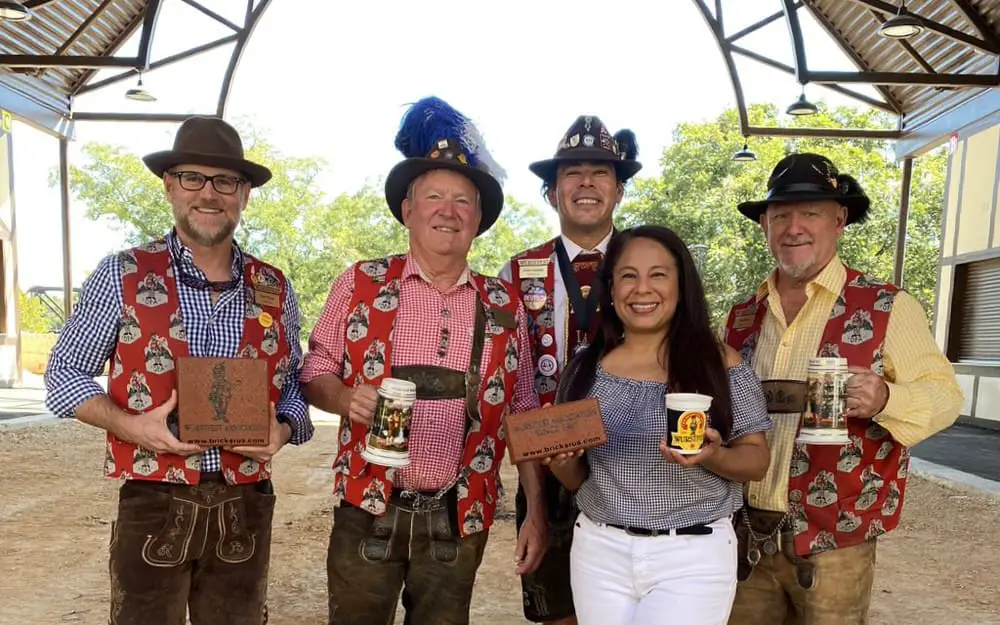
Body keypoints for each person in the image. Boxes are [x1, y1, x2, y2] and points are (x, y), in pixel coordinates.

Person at [43, 116, 314, 625]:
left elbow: (295, 384)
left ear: (245, 194)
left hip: (246, 503)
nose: (208, 194)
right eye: (193, 178)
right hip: (154, 499)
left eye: (225, 181)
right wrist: (129, 426)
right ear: (170, 186)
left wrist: (282, 428)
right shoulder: (123, 273)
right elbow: (64, 374)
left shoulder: (272, 286)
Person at [300, 96, 547, 625]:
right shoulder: (361, 282)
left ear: (479, 218)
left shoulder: (502, 303)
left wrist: (536, 513)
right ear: (407, 210)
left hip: (461, 514)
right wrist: (346, 398)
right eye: (433, 195)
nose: (448, 209)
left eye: (463, 200)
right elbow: (314, 370)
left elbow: (522, 410)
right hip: (367, 508)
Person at [721, 153, 963, 625]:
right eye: (781, 215)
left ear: (839, 219)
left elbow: (946, 395)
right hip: (746, 533)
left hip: (837, 542)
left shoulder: (886, 306)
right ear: (764, 226)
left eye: (810, 212)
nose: (794, 227)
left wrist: (887, 399)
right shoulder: (742, 316)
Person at [545, 225, 773, 625]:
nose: (642, 289)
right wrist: (561, 461)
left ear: (681, 286)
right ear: (611, 290)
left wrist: (713, 454)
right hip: (599, 550)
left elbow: (756, 461)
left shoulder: (721, 364)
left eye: (658, 275)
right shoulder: (584, 368)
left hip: (693, 555)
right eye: (628, 276)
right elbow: (577, 478)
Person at [498, 114, 641, 625]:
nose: (586, 183)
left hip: (633, 464)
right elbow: (512, 391)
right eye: (572, 173)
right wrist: (534, 502)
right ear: (552, 191)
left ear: (619, 190)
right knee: (559, 611)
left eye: (600, 173)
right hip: (548, 468)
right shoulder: (516, 274)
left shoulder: (649, 266)